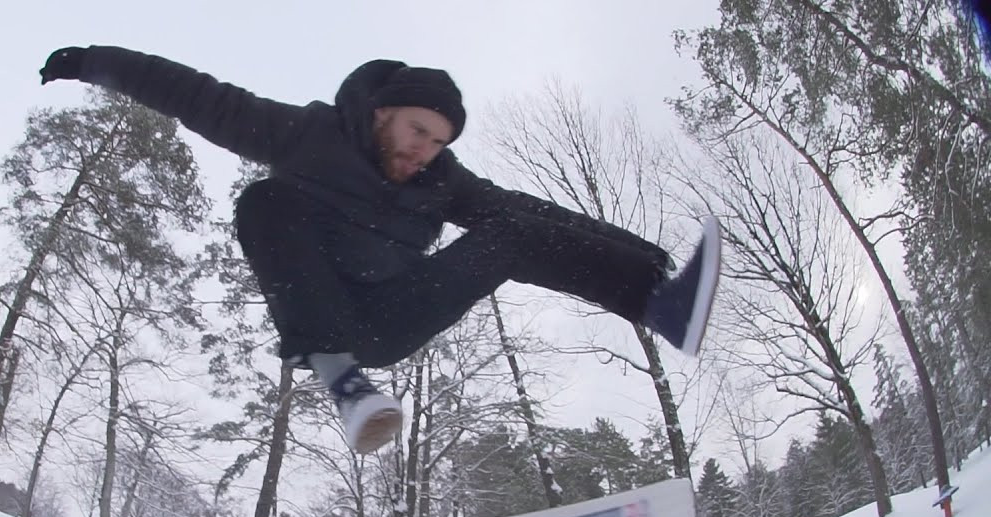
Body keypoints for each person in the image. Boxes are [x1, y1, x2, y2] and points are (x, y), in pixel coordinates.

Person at [39, 46, 720, 454]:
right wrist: (94, 63)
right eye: (419, 132)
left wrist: (640, 257)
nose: (424, 152)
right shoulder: (307, 134)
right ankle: (346, 386)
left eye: (439, 144)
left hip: (396, 313)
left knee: (509, 231)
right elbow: (200, 97)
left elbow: (525, 212)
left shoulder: (441, 182)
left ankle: (659, 306)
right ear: (380, 112)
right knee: (263, 201)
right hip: (322, 302)